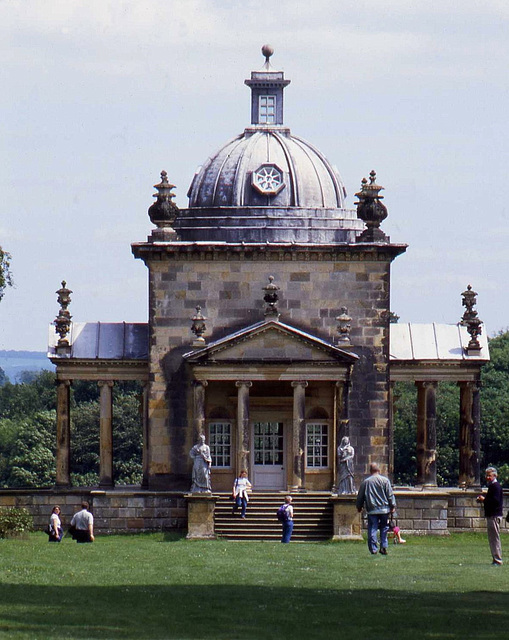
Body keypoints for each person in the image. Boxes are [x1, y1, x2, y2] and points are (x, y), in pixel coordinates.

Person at [356, 462, 396, 555]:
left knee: (372, 529)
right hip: (384, 509)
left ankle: (373, 549)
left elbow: (360, 496)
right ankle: (383, 546)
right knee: (384, 528)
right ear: (379, 470)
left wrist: (359, 507)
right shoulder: (385, 481)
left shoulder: (366, 482)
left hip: (372, 510)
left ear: (370, 470)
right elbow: (390, 495)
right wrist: (392, 505)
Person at [477, 466, 503, 565]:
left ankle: (497, 560)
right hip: (492, 515)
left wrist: (484, 499)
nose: (487, 477)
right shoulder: (492, 486)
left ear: (494, 476)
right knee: (493, 538)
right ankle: (496, 558)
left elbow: (495, 501)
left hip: (494, 516)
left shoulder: (495, 486)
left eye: (489, 475)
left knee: (494, 539)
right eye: (487, 475)